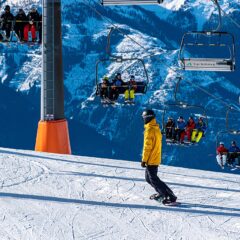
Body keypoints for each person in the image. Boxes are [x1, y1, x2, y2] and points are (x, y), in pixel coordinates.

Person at [141, 109, 177, 205]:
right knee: (149, 178)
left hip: (151, 158)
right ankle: (164, 193)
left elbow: (147, 147)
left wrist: (144, 160)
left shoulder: (149, 130)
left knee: (153, 179)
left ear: (147, 118)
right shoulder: (156, 128)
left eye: (143, 118)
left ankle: (168, 196)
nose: (143, 119)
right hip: (155, 157)